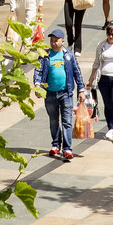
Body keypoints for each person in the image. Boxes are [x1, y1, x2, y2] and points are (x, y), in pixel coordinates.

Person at [33, 27, 85, 161]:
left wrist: (81, 90)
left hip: (65, 93)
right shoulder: (45, 55)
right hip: (50, 94)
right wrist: (38, 86)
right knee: (53, 120)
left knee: (67, 121)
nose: (53, 43)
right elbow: (38, 71)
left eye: (56, 40)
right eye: (52, 40)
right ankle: (56, 144)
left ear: (62, 41)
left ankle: (67, 148)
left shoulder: (69, 55)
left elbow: (77, 72)